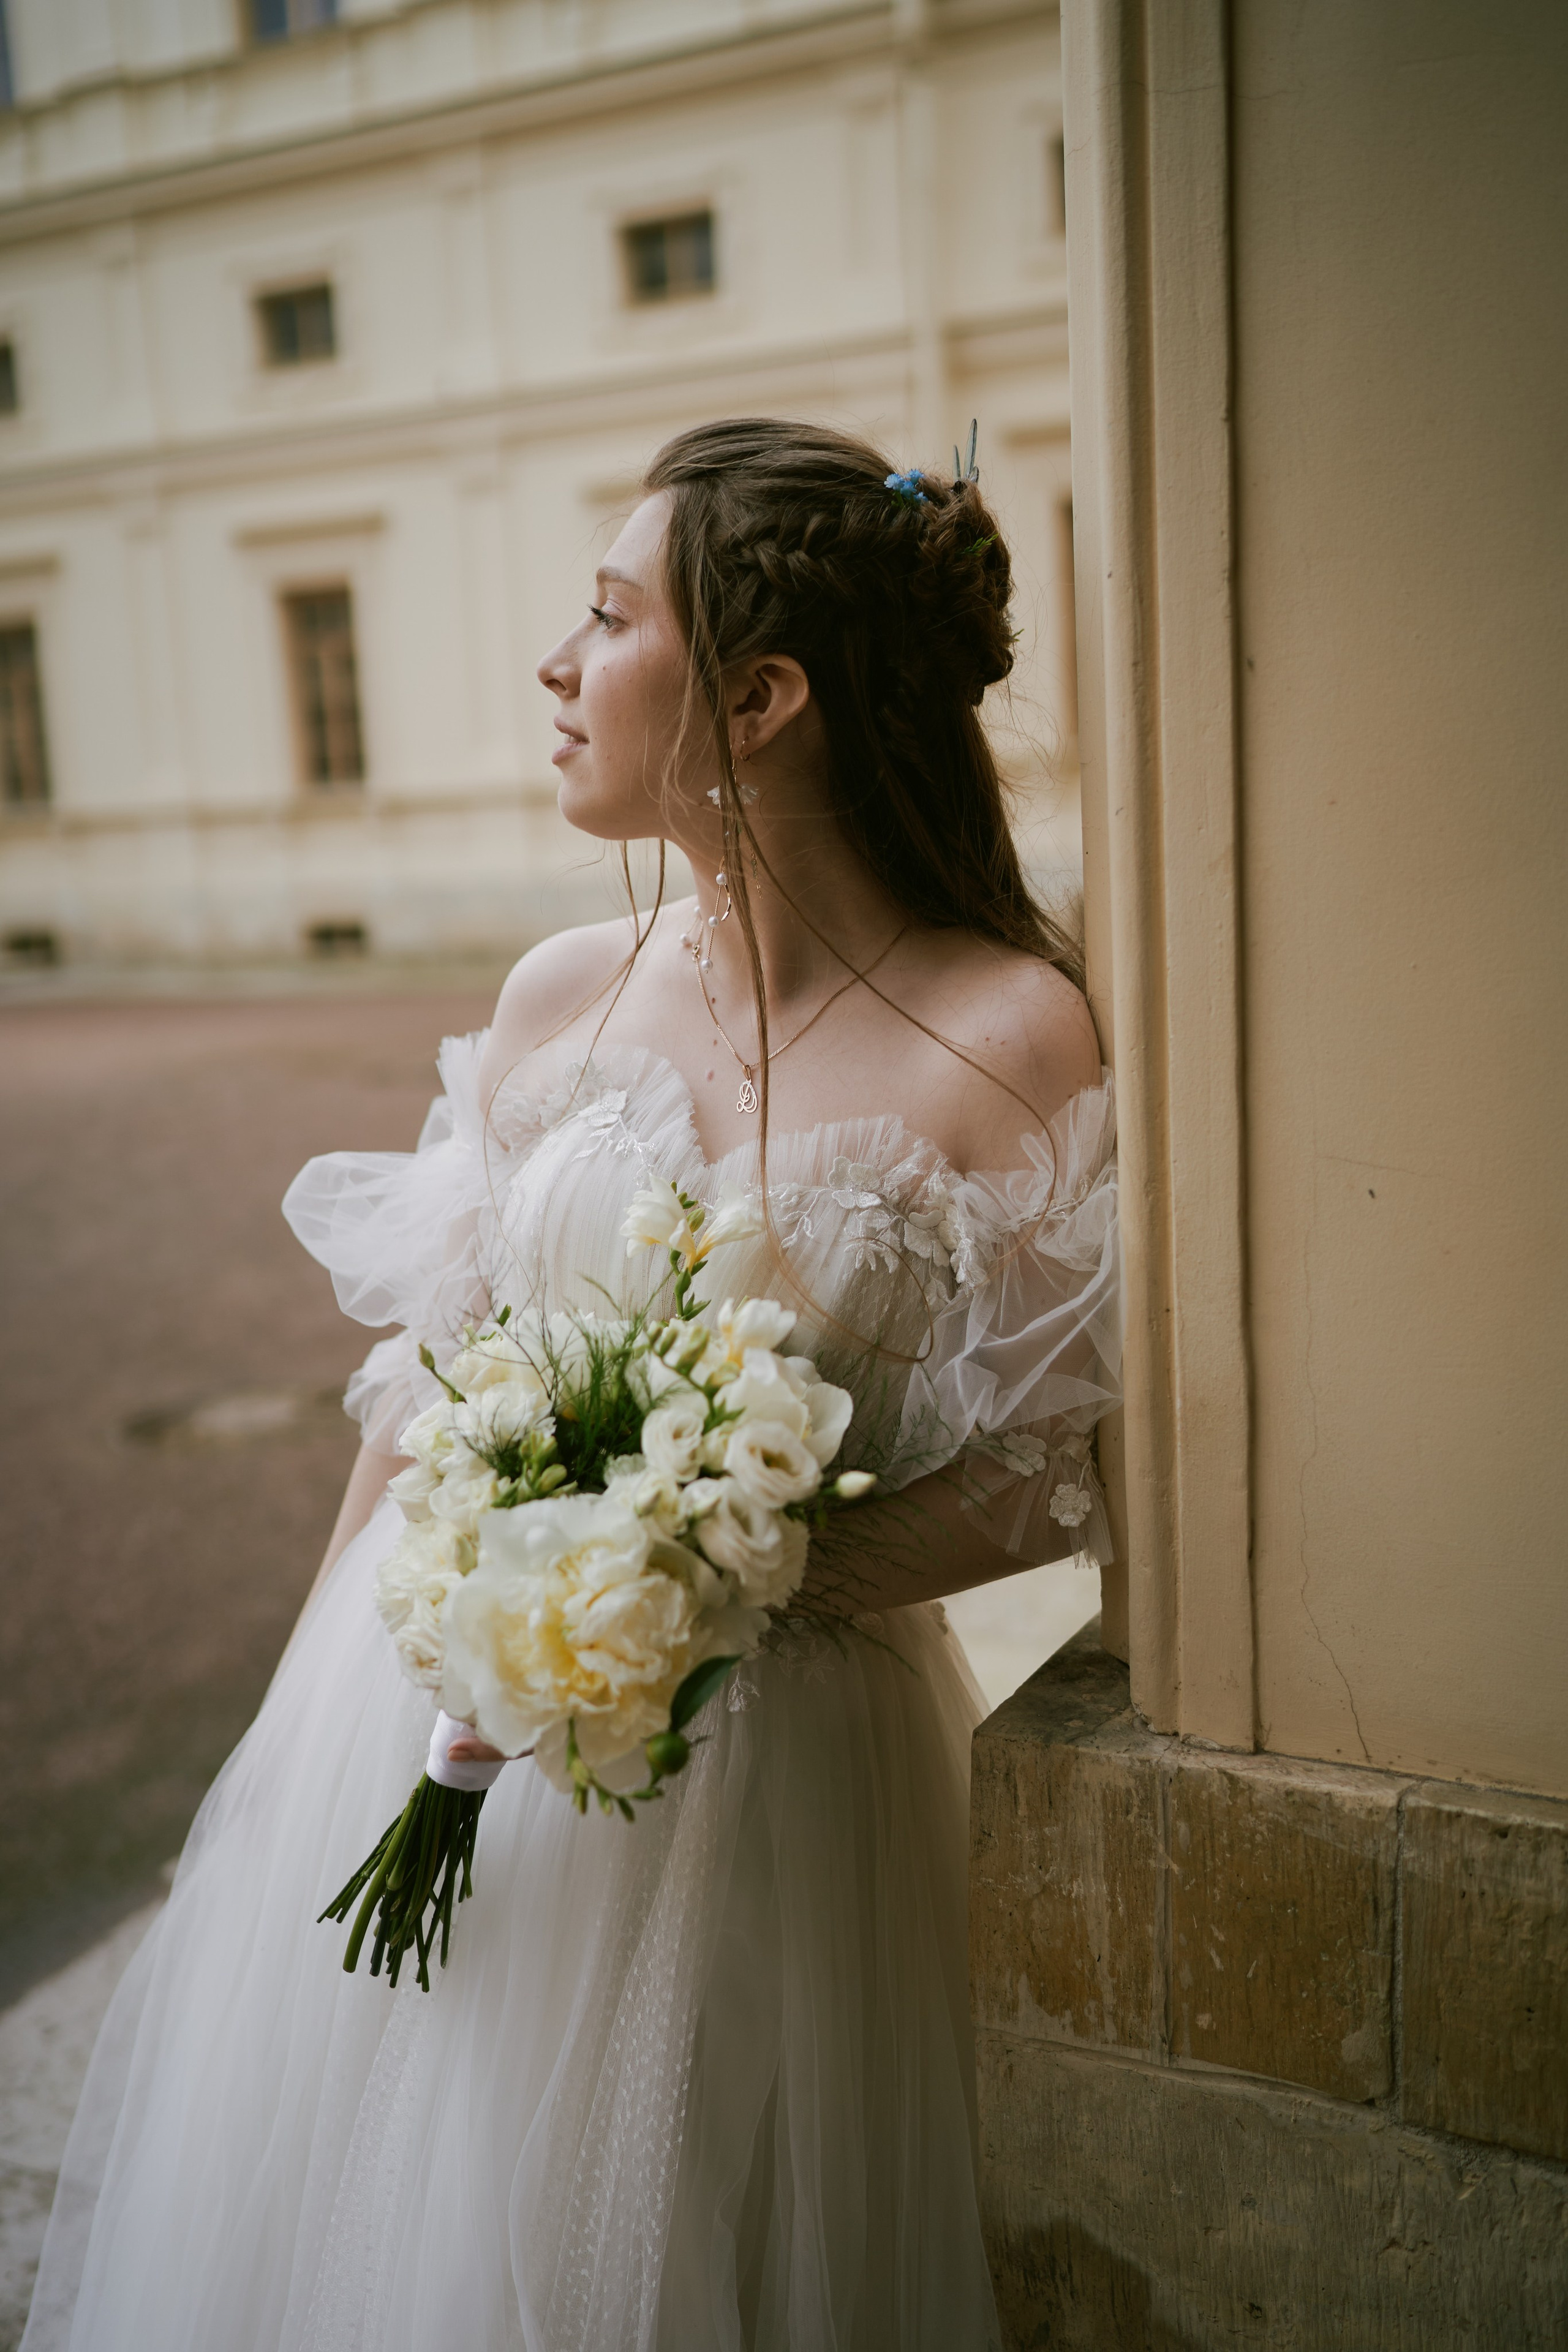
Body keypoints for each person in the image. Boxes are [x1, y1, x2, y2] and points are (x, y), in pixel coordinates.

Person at [23, 418, 1120, 2352]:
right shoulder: (557, 996)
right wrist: (293, 1759)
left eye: (610, 617)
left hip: (777, 1805)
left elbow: (1065, 1474)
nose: (556, 663)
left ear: (762, 698)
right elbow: (418, 1403)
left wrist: (717, 1563)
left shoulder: (1007, 1036)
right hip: (431, 1725)